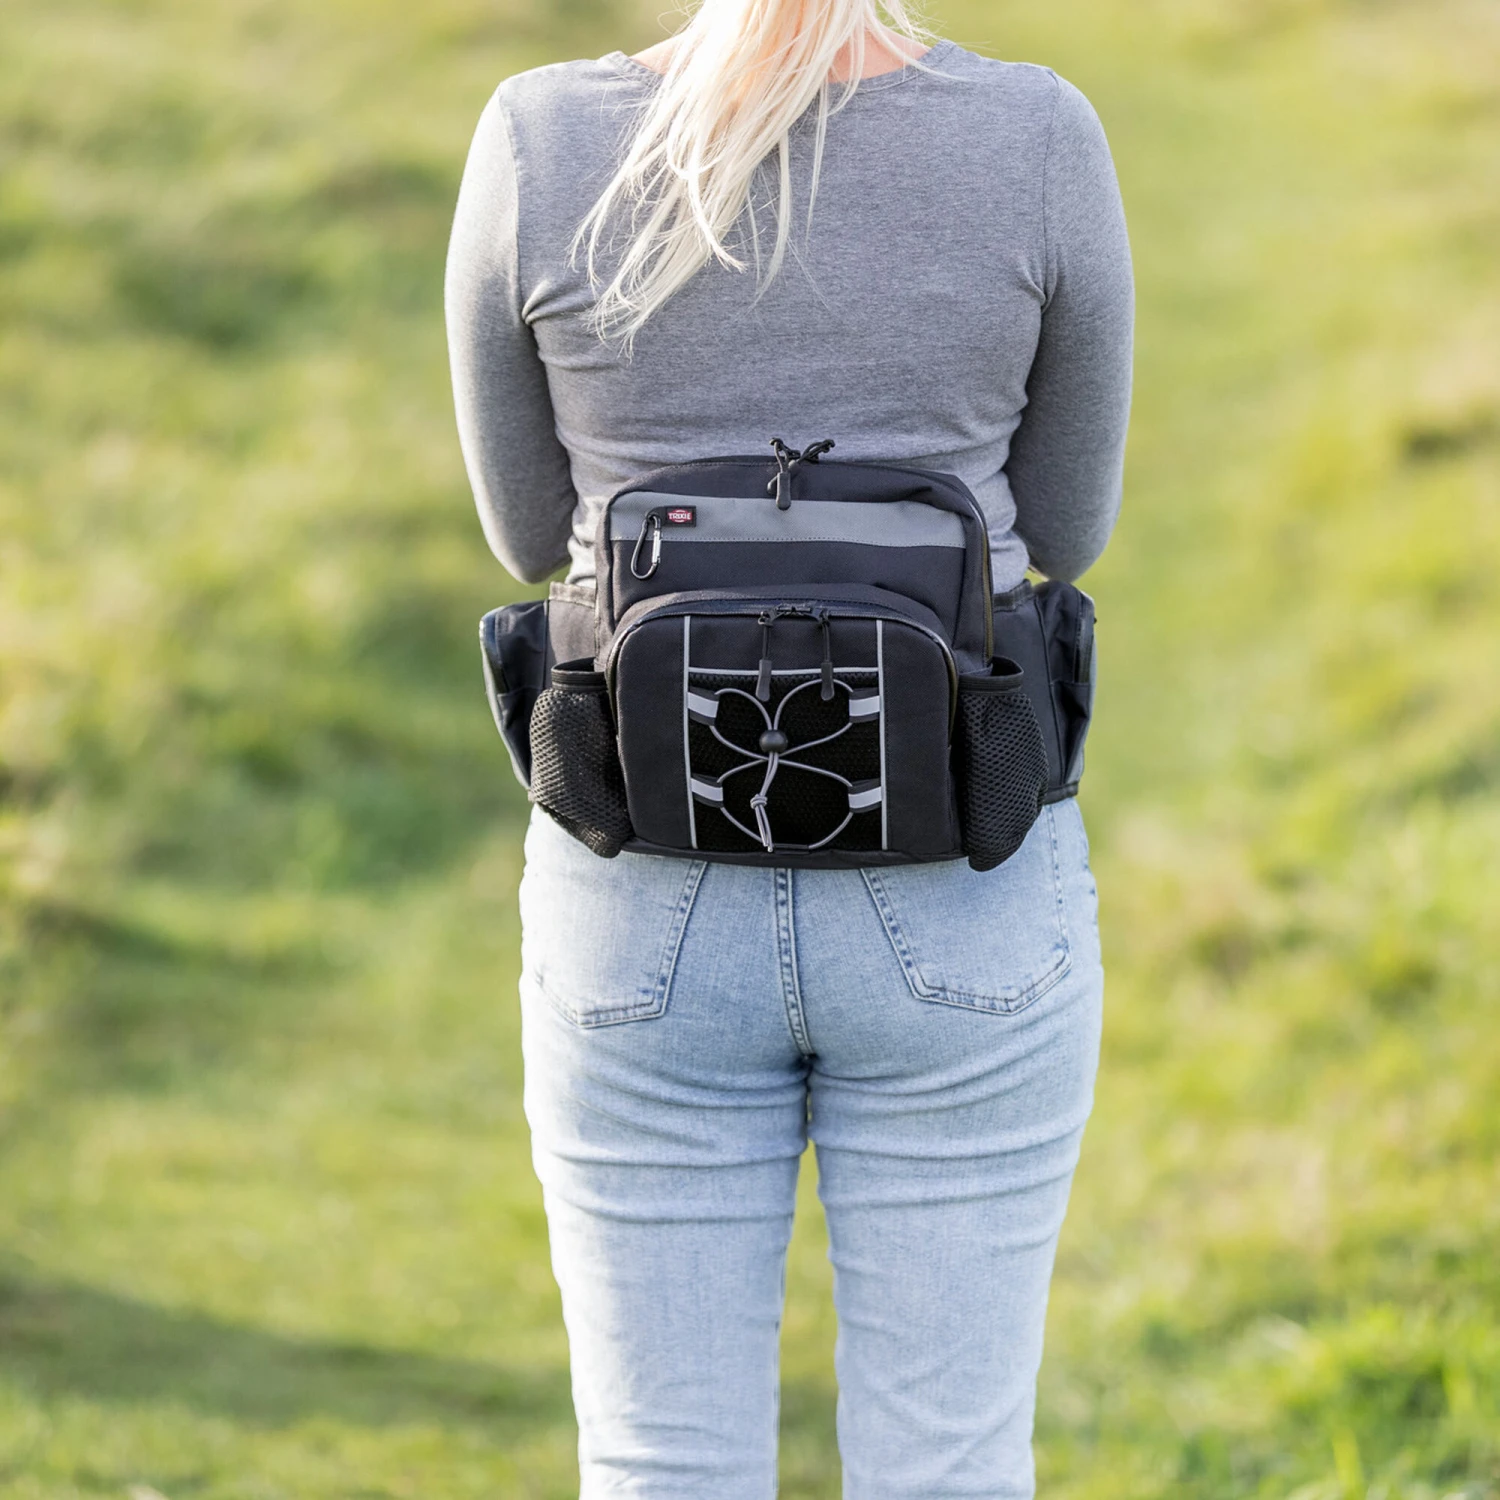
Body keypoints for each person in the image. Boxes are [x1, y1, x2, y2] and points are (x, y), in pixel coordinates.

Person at [444, 0, 1132, 1490]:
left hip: (642, 877)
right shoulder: (1037, 139)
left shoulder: (541, 140)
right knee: (950, 1465)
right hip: (961, 866)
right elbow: (1068, 530)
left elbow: (526, 536)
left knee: (659, 1462)